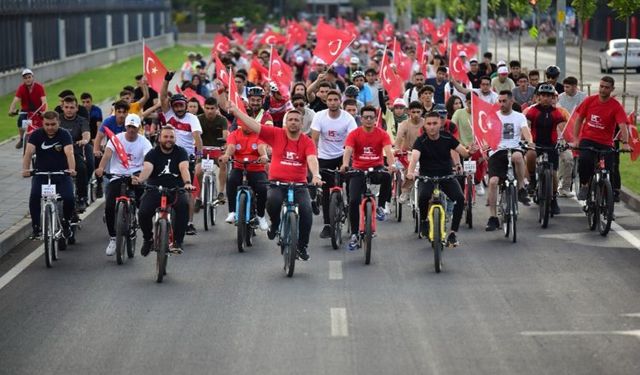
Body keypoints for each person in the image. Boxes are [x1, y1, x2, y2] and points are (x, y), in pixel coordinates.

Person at [231, 105, 322, 261]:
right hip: (277, 183)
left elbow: (312, 159)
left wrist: (316, 175)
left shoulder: (307, 142)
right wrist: (237, 112)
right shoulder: (276, 134)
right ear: (285, 122)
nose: (293, 122)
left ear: (301, 124)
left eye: (297, 120)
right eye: (290, 120)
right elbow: (255, 126)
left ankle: (302, 246)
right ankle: (275, 224)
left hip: (299, 185)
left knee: (307, 212)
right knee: (272, 201)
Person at [406, 111, 476, 245]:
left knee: (460, 198)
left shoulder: (447, 137)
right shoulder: (421, 141)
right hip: (427, 177)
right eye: (429, 124)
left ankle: (453, 232)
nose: (432, 127)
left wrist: (470, 152)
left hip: (446, 176)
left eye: (435, 123)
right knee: (423, 197)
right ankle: (424, 221)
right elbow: (414, 158)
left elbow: (464, 153)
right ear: (424, 125)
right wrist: (410, 172)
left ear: (440, 124)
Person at [94, 114, 152, 256]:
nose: (131, 130)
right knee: (109, 207)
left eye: (134, 127)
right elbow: (107, 155)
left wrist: (142, 177)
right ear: (125, 126)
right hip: (117, 175)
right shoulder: (116, 139)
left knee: (143, 204)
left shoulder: (144, 142)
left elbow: (148, 160)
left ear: (139, 128)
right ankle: (113, 238)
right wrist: (101, 168)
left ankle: (136, 219)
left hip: (136, 175)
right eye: (129, 126)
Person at [341, 105, 397, 251]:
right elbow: (348, 150)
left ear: (375, 119)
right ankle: (354, 234)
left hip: (376, 168)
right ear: (361, 118)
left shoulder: (382, 134)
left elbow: (388, 151)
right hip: (358, 169)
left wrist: (391, 165)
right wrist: (345, 164)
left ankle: (380, 206)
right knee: (353, 200)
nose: (368, 120)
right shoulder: (354, 134)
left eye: (371, 117)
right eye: (365, 117)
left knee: (386, 176)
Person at [133, 126, 194, 255]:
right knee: (143, 212)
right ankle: (148, 239)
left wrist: (187, 183)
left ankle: (178, 241)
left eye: (171, 137)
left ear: (175, 138)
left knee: (184, 206)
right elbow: (147, 169)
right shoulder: (152, 153)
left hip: (176, 189)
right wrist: (140, 179)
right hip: (154, 189)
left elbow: (184, 168)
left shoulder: (181, 152)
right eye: (165, 136)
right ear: (159, 138)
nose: (168, 139)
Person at [571, 76, 630, 201]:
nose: (603, 90)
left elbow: (623, 125)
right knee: (584, 160)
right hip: (588, 139)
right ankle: (585, 185)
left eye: (606, 87)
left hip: (606, 143)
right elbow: (579, 119)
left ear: (612, 89)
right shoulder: (590, 100)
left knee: (609, 170)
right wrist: (576, 139)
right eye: (601, 86)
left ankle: (607, 203)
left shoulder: (616, 106)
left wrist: (625, 143)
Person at [310, 90, 358, 239]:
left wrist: (348, 161)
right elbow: (314, 140)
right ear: (326, 102)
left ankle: (352, 216)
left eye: (335, 99)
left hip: (343, 155)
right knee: (325, 191)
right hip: (324, 157)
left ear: (340, 101)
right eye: (330, 100)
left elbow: (353, 140)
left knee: (351, 187)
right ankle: (327, 225)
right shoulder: (319, 116)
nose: (332, 102)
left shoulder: (348, 118)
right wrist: (314, 158)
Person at [161, 71, 203, 236]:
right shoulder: (168, 114)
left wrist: (198, 155)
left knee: (187, 192)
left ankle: (189, 223)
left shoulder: (192, 119)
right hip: (167, 156)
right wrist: (166, 80)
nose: (178, 108)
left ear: (186, 106)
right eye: (175, 105)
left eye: (181, 105)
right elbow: (163, 96)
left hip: (187, 158)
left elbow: (197, 137)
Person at [22, 111, 76, 240]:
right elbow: (28, 153)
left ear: (59, 122)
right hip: (41, 174)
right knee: (34, 197)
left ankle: (67, 222)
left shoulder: (64, 134)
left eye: (53, 124)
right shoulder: (36, 135)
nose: (50, 127)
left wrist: (72, 169)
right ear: (43, 123)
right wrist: (25, 169)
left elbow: (70, 153)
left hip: (61, 174)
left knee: (69, 198)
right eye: (47, 124)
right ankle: (36, 227)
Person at [485, 91, 533, 231]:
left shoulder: (519, 116)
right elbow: (488, 134)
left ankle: (521, 188)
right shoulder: (493, 116)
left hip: (514, 148)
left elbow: (525, 131)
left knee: (518, 157)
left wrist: (529, 141)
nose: (501, 104)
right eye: (499, 101)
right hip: (497, 151)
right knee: (493, 182)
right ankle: (493, 217)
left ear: (511, 101)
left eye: (504, 101)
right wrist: (486, 143)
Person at [524, 83, 566, 215]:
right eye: (543, 96)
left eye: (549, 96)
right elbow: (527, 126)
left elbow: (562, 128)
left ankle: (553, 199)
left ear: (553, 98)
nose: (546, 98)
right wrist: (528, 141)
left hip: (551, 145)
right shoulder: (533, 111)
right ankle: (532, 179)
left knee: (553, 174)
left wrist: (564, 140)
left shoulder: (556, 112)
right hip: (536, 144)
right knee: (530, 155)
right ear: (538, 97)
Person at [219, 121, 269, 230]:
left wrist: (264, 155)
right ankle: (232, 212)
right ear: (241, 124)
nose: (249, 126)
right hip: (239, 167)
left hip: (257, 169)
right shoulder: (234, 134)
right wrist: (227, 155)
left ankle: (261, 216)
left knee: (263, 188)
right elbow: (231, 147)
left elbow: (261, 147)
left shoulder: (259, 133)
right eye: (246, 124)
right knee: (231, 180)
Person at [58, 95, 92, 212]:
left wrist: (85, 140)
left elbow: (86, 133)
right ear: (62, 107)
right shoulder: (57, 120)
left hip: (75, 153)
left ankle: (82, 197)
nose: (69, 110)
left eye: (72, 107)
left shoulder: (81, 120)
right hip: (58, 154)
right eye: (66, 107)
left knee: (82, 168)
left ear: (77, 108)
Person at [556, 76, 587, 198]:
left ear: (575, 86)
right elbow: (559, 113)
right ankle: (563, 182)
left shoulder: (583, 97)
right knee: (565, 156)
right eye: (564, 86)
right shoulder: (560, 98)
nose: (565, 89)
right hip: (564, 129)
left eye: (567, 87)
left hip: (579, 129)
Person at [451, 92, 487, 196]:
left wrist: (483, 144)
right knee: (459, 170)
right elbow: (453, 128)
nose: (472, 105)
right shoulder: (458, 113)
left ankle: (478, 181)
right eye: (470, 102)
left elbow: (485, 131)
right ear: (466, 102)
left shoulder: (482, 114)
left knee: (481, 157)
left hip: (477, 146)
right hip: (462, 146)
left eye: (475, 103)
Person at [196, 97, 228, 205]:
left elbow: (225, 135)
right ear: (204, 108)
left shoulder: (222, 120)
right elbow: (194, 136)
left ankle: (221, 192)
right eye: (207, 108)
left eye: (212, 108)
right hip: (201, 149)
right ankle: (199, 195)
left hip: (217, 149)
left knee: (223, 164)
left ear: (216, 108)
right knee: (197, 171)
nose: (209, 111)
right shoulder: (198, 119)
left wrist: (224, 146)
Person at [9, 69, 47, 149]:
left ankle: (44, 139)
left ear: (33, 77)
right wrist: (11, 110)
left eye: (29, 77)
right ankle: (22, 139)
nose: (28, 79)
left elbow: (44, 101)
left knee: (43, 124)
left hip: (38, 110)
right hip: (25, 111)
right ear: (23, 79)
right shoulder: (21, 88)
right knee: (20, 121)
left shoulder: (39, 87)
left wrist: (44, 111)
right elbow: (16, 100)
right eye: (25, 78)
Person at [395, 101, 425, 203]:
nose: (416, 114)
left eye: (418, 111)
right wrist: (397, 149)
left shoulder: (425, 123)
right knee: (409, 169)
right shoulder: (404, 124)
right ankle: (405, 191)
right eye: (413, 112)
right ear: (409, 112)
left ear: (422, 111)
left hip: (423, 153)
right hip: (407, 153)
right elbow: (399, 137)